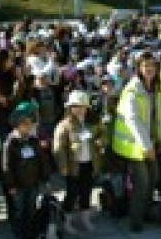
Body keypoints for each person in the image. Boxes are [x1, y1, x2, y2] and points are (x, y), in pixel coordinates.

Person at [110, 52, 161, 234]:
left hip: (149, 140)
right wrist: (146, 146)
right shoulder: (132, 90)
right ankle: (136, 220)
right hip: (135, 144)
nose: (149, 68)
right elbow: (132, 120)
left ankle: (146, 211)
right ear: (139, 69)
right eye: (145, 65)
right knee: (142, 182)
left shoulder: (155, 89)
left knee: (154, 177)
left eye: (152, 65)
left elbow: (159, 116)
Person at [53, 90, 106, 234]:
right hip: (72, 167)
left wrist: (101, 141)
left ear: (87, 107)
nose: (78, 109)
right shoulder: (64, 125)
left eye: (81, 105)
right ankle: (66, 222)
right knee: (71, 194)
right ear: (69, 107)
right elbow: (59, 148)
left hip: (89, 164)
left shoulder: (94, 121)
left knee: (86, 192)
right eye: (75, 106)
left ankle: (85, 219)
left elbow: (103, 134)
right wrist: (63, 166)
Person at [2, 106, 51, 239]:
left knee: (31, 209)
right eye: (24, 124)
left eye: (30, 123)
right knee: (19, 210)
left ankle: (30, 233)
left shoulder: (33, 140)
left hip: (33, 182)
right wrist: (10, 185)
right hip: (18, 185)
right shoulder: (10, 143)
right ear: (17, 125)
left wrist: (45, 178)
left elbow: (42, 160)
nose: (28, 126)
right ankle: (19, 233)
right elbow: (7, 166)